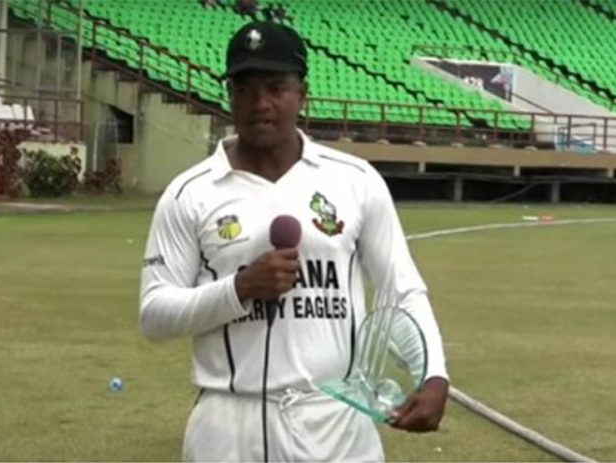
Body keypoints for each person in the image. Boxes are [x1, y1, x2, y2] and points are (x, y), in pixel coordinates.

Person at [139, 21, 449, 462]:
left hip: (338, 422)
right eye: (245, 89)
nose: (260, 104)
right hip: (229, 425)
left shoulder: (355, 181)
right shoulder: (190, 193)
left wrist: (434, 373)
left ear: (303, 94)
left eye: (276, 87)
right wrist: (239, 288)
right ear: (229, 94)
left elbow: (402, 289)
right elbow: (154, 315)